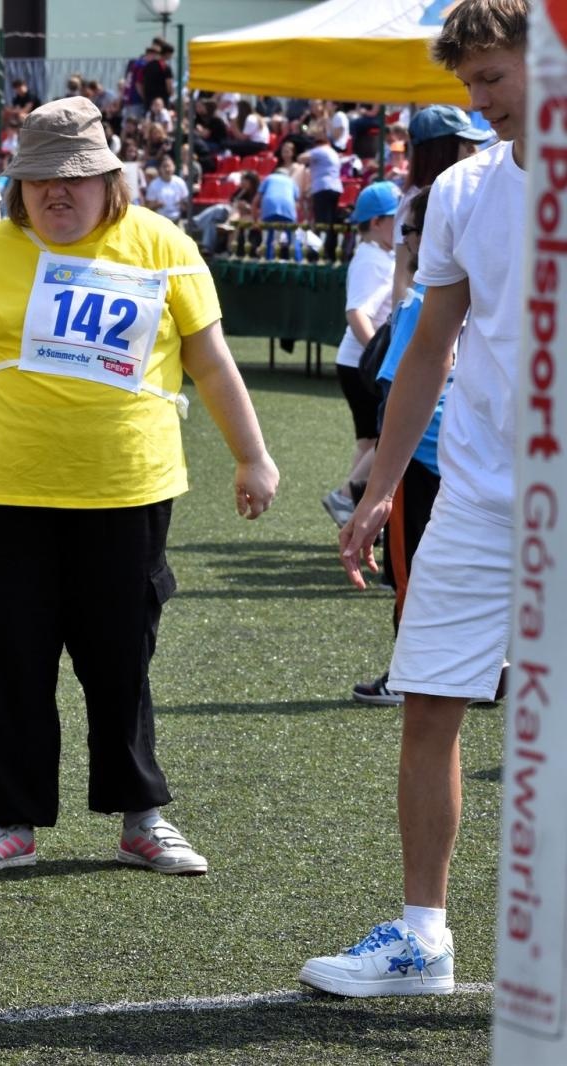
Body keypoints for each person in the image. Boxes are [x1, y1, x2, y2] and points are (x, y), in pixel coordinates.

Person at [0, 98, 278, 876]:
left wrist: (253, 456)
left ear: (109, 179)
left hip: (127, 493)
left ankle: (140, 818)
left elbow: (211, 359)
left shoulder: (165, 246)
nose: (57, 191)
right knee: (6, 656)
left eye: (76, 177)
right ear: (17, 185)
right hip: (3, 494)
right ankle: (6, 821)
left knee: (121, 658)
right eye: (39, 178)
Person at [300, 0, 526, 997]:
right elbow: (428, 346)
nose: (479, 102)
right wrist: (380, 488)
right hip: (476, 494)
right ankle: (422, 937)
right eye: (468, 83)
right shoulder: (466, 190)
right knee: (429, 701)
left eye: (493, 78)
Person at [350, 190, 448, 707]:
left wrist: (379, 481)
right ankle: (478, 666)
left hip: (421, 454)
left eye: (407, 233)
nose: (402, 243)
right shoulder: (484, 290)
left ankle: (408, 674)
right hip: (468, 454)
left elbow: (397, 388)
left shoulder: (422, 299)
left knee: (411, 572)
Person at [321, 181, 400, 527]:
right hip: (361, 365)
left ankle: (349, 505)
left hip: (354, 363)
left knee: (370, 440)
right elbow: (357, 313)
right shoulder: (372, 260)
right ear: (378, 222)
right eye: (396, 218)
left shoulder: (377, 255)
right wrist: (379, 357)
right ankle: (346, 497)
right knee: (390, 437)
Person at [391, 104, 488, 303]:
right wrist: (403, 321)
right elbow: (403, 277)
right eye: (466, 143)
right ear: (440, 150)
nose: (474, 151)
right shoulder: (414, 203)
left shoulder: (457, 194)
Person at [145, 154, 189, 222]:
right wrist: (156, 205)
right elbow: (148, 206)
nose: (167, 169)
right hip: (160, 221)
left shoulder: (180, 182)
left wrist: (183, 205)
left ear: (174, 167)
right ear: (160, 168)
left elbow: (187, 203)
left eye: (169, 166)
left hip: (177, 219)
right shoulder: (154, 185)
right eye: (164, 166)